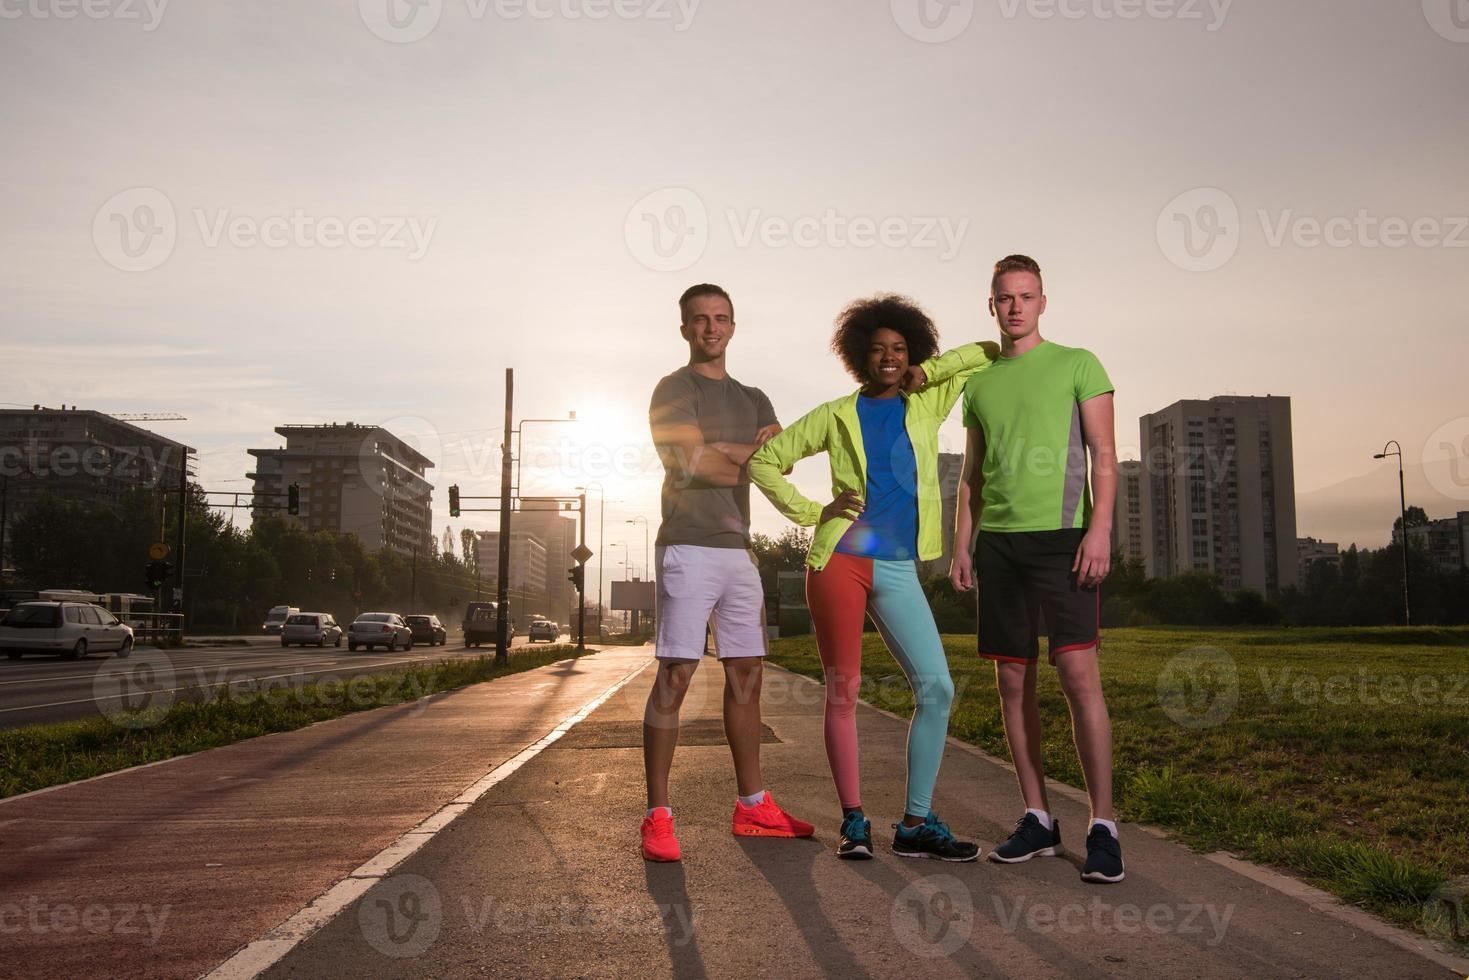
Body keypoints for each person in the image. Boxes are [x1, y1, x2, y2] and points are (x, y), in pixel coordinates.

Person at [748, 295, 996, 861]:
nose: (889, 357)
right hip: (841, 561)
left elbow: (986, 352)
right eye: (879, 349)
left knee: (938, 688)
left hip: (898, 566)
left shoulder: (926, 402)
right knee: (844, 692)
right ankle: (854, 821)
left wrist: (927, 373)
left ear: (913, 353)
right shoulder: (835, 414)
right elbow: (763, 462)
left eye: (900, 349)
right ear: (860, 355)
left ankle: (914, 822)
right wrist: (815, 513)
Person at [950, 254, 1124, 883]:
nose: (1015, 306)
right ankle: (1038, 818)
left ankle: (1103, 825)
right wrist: (962, 543)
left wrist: (1099, 529)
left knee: (1079, 676)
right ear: (991, 306)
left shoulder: (1079, 364)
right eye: (1004, 298)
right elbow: (972, 474)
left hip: (1063, 541)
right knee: (1012, 683)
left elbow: (1103, 454)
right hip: (998, 545)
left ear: (1042, 302)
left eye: (1025, 296)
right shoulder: (979, 383)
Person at [641, 283, 815, 863]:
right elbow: (694, 465)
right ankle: (658, 815)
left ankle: (752, 805)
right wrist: (744, 452)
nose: (710, 328)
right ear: (684, 329)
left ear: (733, 327)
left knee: (747, 675)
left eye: (720, 319)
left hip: (739, 551)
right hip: (687, 547)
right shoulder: (673, 389)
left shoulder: (755, 397)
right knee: (677, 675)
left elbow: (777, 463)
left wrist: (728, 450)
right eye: (699, 320)